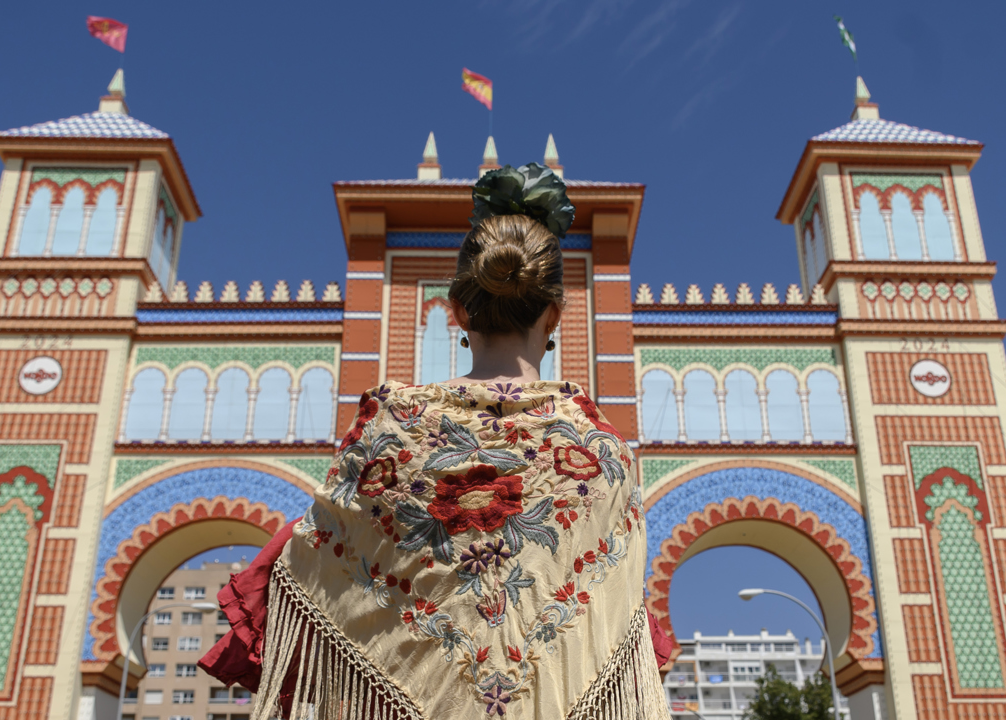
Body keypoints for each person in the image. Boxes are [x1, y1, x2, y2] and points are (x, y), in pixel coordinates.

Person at [201, 164, 671, 719]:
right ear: (554, 314)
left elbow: (317, 554)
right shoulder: (600, 451)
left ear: (457, 312)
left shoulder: (391, 425)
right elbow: (613, 613)